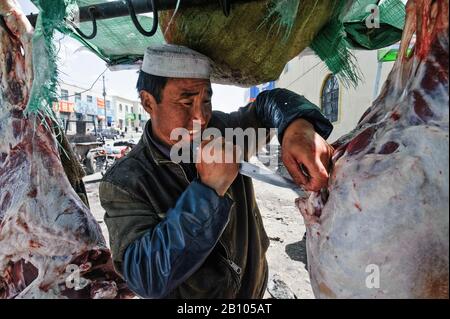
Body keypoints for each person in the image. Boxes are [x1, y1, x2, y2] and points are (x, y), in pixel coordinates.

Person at [99, 44, 334, 299]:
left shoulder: (225, 131)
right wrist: (208, 191)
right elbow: (145, 277)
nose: (201, 117)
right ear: (148, 102)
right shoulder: (124, 182)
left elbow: (268, 103)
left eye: (207, 100)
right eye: (186, 101)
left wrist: (295, 126)